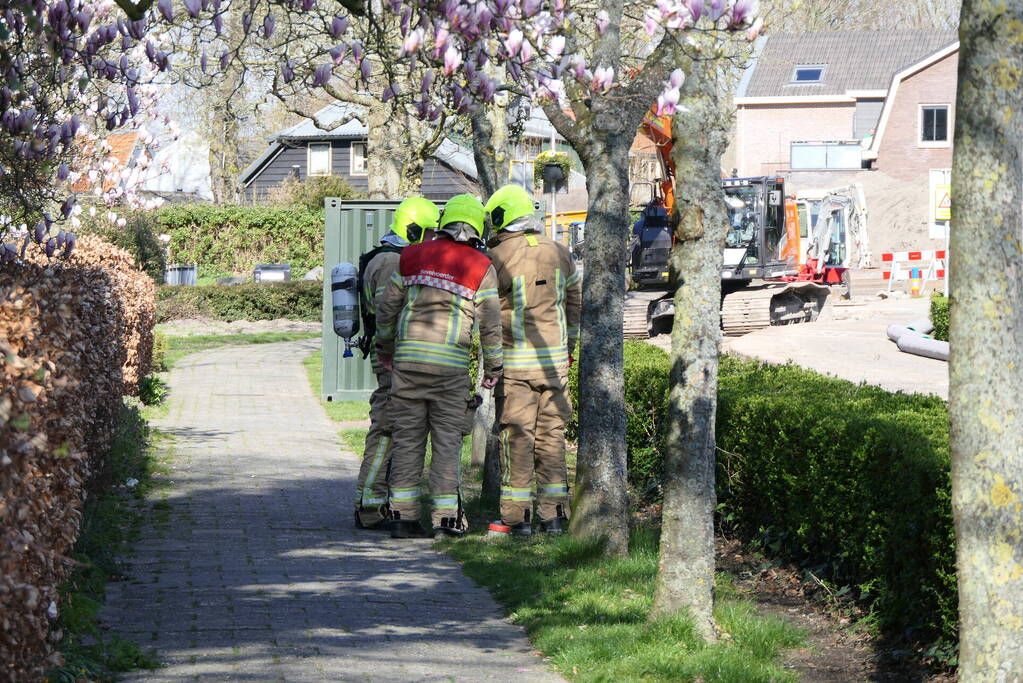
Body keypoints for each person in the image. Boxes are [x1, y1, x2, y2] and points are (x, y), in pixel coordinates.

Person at [375, 194, 504, 539]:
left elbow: (388, 309)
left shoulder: (411, 256)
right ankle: (446, 522)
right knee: (446, 444)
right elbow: (490, 322)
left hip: (408, 366)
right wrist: (493, 365)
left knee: (407, 441)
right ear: (477, 226)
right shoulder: (481, 266)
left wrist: (385, 347)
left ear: (444, 223)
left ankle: (402, 517)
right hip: (449, 372)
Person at [484, 184, 581, 536]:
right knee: (552, 438)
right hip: (555, 364)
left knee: (517, 439)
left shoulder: (496, 258)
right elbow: (574, 304)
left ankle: (515, 518)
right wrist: (570, 347)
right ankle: (554, 515)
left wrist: (488, 360)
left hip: (516, 366)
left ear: (500, 217)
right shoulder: (560, 251)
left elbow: (487, 312)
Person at [353, 197, 439, 530]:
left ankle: (376, 501)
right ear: (414, 228)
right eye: (430, 233)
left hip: (394, 354)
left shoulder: (386, 256)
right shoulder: (392, 262)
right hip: (392, 357)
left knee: (392, 427)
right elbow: (390, 314)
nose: (433, 240)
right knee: (387, 428)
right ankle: (369, 505)